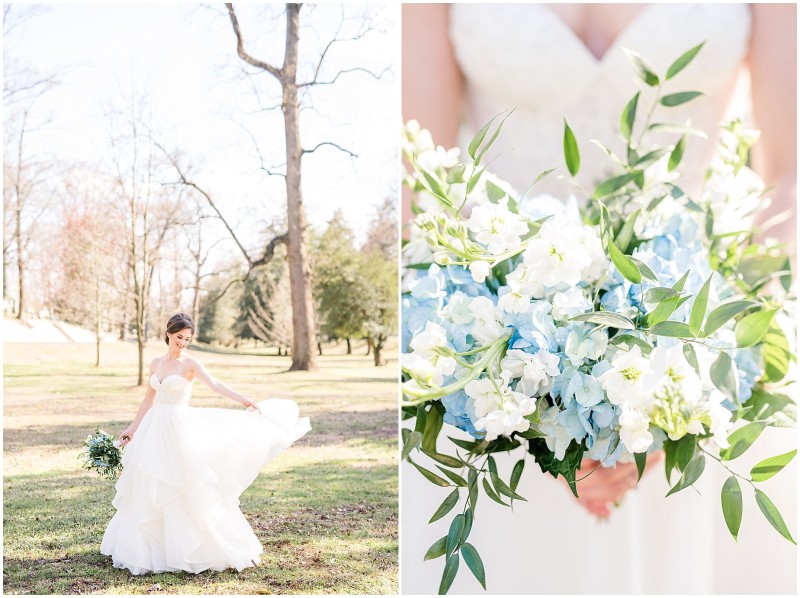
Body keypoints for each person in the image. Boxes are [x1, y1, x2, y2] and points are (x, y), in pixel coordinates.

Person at [401, 4, 796, 594]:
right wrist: (535, 411)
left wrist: (681, 393)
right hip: (497, 366)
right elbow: (421, 188)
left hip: (690, 340)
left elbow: (788, 179)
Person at [101, 312, 311, 575]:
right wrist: (132, 429)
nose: (183, 343)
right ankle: (152, 549)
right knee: (151, 484)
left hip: (179, 427)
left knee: (186, 484)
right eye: (179, 337)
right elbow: (148, 400)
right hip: (154, 428)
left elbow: (215, 384)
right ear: (169, 333)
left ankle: (195, 548)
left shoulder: (191, 364)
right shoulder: (155, 363)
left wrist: (243, 400)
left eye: (187, 339)